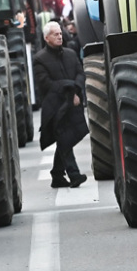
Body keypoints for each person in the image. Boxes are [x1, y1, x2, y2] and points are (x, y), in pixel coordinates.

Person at [34, 21, 89, 189]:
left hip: (73, 103)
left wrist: (76, 90)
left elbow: (80, 73)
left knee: (70, 136)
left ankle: (57, 175)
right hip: (55, 107)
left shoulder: (71, 54)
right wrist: (70, 88)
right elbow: (46, 84)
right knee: (64, 137)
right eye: (55, 34)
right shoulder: (39, 59)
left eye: (60, 33)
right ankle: (74, 175)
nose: (59, 36)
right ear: (46, 38)